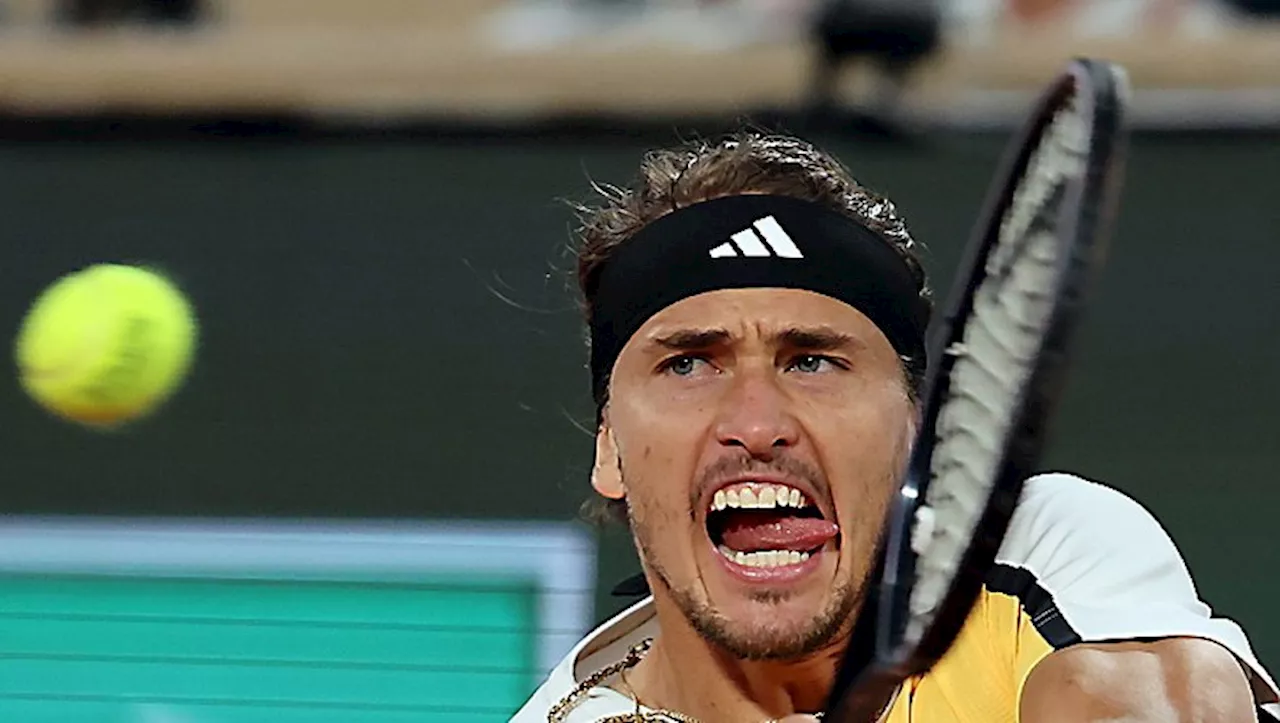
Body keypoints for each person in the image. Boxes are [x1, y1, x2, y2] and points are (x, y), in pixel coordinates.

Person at [512, 132, 1279, 722]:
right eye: (688, 364)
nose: (756, 423)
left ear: (919, 432)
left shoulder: (1030, 551)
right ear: (609, 447)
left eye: (812, 360)